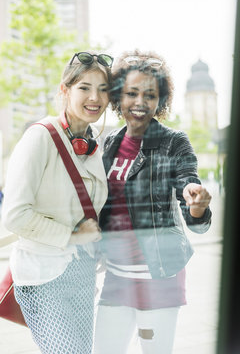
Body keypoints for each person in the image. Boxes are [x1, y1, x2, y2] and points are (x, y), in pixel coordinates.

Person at [94, 50, 212, 354]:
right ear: (119, 95)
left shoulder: (174, 142)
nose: (140, 102)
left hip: (159, 274)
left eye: (150, 94)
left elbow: (188, 183)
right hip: (117, 275)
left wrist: (195, 203)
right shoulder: (109, 142)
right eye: (132, 93)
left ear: (161, 99)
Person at [1, 51, 113, 354]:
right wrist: (72, 236)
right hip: (42, 277)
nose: (95, 97)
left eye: (103, 89)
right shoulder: (40, 137)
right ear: (65, 91)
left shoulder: (93, 147)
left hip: (83, 273)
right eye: (85, 87)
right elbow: (14, 215)